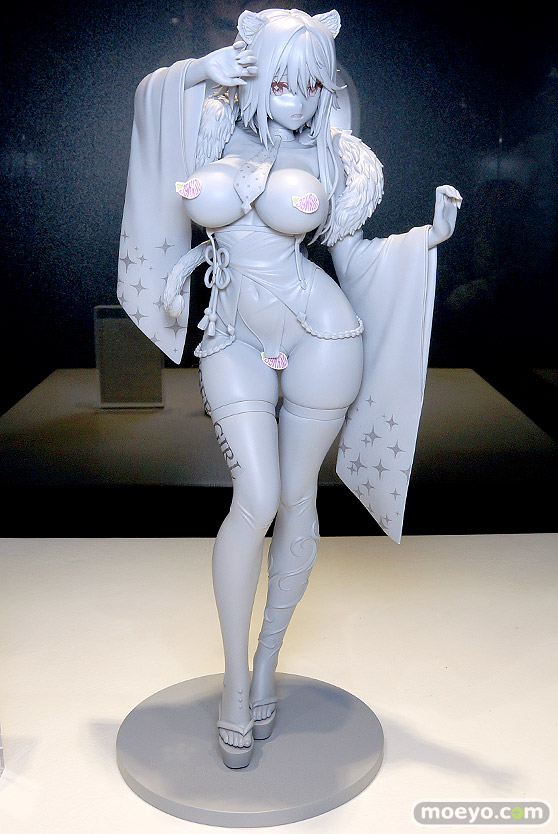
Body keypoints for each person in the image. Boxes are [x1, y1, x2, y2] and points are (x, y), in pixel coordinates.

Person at [118, 7, 461, 769]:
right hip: (232, 333)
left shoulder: (338, 151)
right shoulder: (207, 117)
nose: (299, 100)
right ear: (252, 72)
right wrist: (200, 69)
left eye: (312, 86)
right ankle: (235, 683)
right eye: (281, 82)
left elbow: (354, 253)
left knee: (298, 497)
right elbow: (149, 107)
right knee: (257, 495)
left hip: (321, 332)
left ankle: (267, 663)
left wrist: (426, 240)